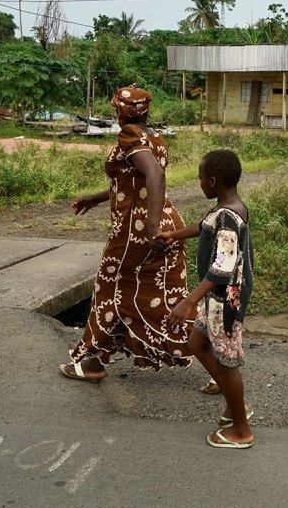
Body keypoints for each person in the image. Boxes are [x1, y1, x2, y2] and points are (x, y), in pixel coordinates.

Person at [59, 84, 193, 382]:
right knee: (163, 298)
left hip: (136, 231)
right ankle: (218, 361)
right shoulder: (154, 137)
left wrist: (151, 226)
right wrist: (95, 198)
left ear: (122, 110)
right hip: (166, 224)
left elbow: (155, 176)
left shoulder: (130, 135)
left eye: (116, 107)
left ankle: (93, 361)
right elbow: (132, 182)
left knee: (109, 290)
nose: (115, 112)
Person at [162, 149, 255, 449]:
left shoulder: (227, 216)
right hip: (216, 297)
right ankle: (234, 404)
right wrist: (173, 235)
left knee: (227, 362)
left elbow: (222, 266)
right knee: (197, 344)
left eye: (200, 178)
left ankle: (241, 429)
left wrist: (188, 301)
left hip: (224, 299)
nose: (199, 182)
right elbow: (203, 228)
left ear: (213, 181)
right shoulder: (227, 208)